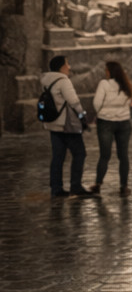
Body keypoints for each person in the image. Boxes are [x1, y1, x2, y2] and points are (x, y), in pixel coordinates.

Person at [41, 56, 90, 199]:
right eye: (67, 64)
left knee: (58, 157)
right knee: (80, 153)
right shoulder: (63, 81)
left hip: (53, 124)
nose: (69, 67)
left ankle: (56, 189)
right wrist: (83, 117)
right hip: (67, 124)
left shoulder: (45, 80)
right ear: (61, 67)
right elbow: (74, 102)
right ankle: (76, 186)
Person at [90, 60, 132, 196]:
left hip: (106, 122)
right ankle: (124, 186)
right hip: (123, 122)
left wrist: (103, 112)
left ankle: (98, 184)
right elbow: (130, 101)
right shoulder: (126, 85)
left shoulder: (104, 84)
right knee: (123, 155)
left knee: (105, 155)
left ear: (109, 72)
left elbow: (96, 103)